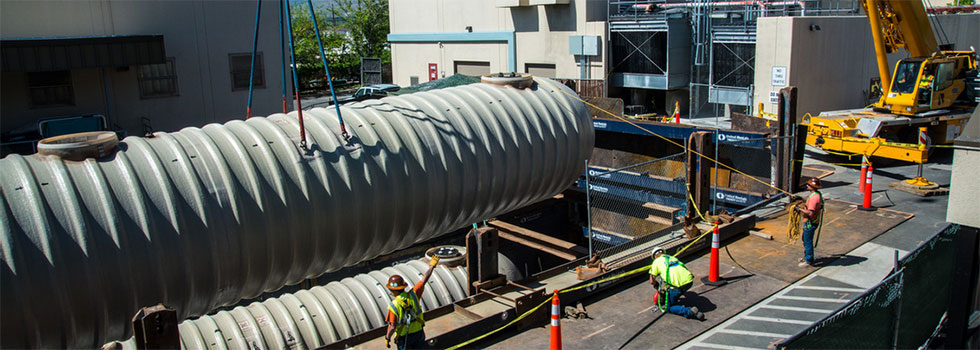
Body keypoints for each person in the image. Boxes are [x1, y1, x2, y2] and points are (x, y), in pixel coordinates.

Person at [385, 256, 440, 349]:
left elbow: (392, 326)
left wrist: (387, 338)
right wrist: (431, 266)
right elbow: (424, 280)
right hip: (418, 333)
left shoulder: (394, 306)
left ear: (392, 290)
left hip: (404, 338)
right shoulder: (413, 294)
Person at [648, 246, 705, 320]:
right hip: (689, 281)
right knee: (676, 290)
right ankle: (674, 295)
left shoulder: (656, 262)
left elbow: (651, 281)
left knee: (669, 307)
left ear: (655, 256)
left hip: (677, 286)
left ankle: (689, 311)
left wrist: (657, 286)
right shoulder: (672, 258)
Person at [796, 177, 824, 267]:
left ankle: (809, 260)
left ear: (813, 187)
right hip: (812, 222)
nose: (807, 186)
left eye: (809, 185)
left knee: (808, 242)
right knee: (805, 239)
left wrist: (799, 209)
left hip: (810, 223)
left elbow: (810, 213)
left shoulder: (814, 198)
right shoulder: (817, 194)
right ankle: (807, 256)